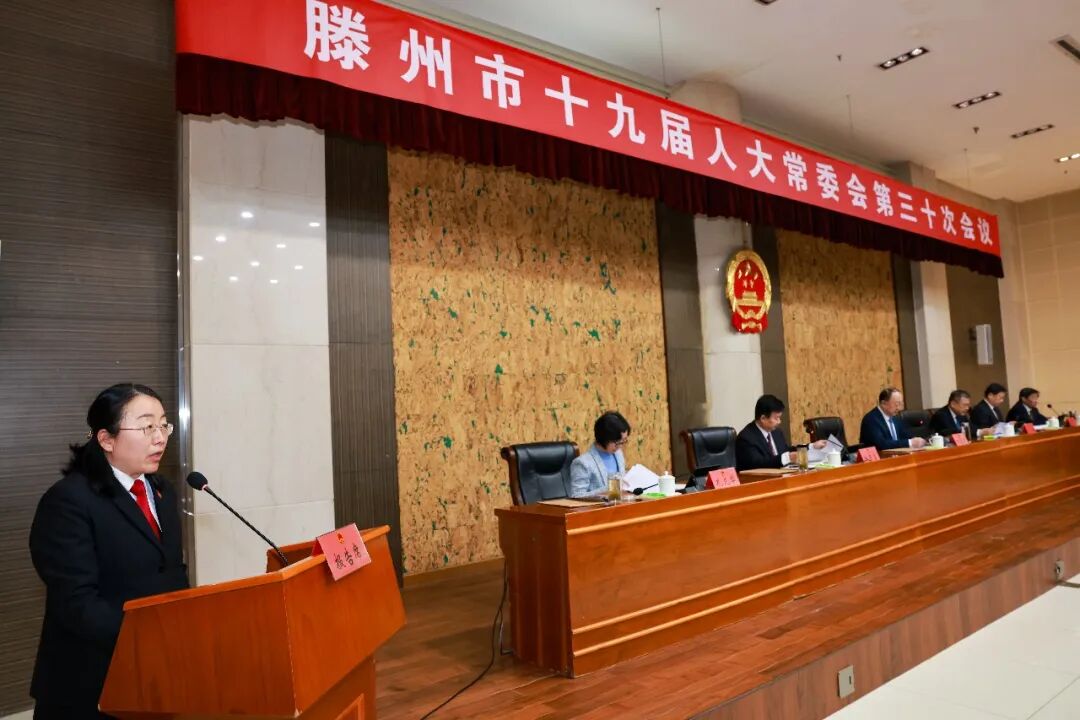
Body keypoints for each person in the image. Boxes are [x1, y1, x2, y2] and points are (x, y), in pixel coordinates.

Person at [29, 384, 189, 719]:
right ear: (106, 439)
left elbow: (171, 572)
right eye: (147, 427)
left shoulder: (162, 491)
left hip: (159, 675)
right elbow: (78, 604)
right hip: (90, 682)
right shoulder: (69, 501)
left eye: (164, 425)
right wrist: (150, 638)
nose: (160, 438)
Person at [735, 394, 826, 471]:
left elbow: (786, 451)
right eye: (776, 418)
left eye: (779, 418)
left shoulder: (776, 432)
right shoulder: (746, 438)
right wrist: (788, 458)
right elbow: (758, 464)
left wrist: (812, 446)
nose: (779, 422)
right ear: (763, 418)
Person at [570, 411, 630, 497]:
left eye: (623, 441)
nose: (620, 446)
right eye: (617, 442)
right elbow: (577, 496)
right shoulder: (582, 463)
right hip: (599, 505)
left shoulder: (618, 454)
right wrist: (610, 489)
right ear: (605, 438)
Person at [859, 387, 928, 452]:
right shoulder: (871, 419)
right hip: (879, 458)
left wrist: (919, 440)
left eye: (901, 404)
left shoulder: (895, 417)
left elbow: (906, 435)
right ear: (883, 403)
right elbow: (881, 444)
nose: (899, 408)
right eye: (897, 404)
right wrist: (909, 442)